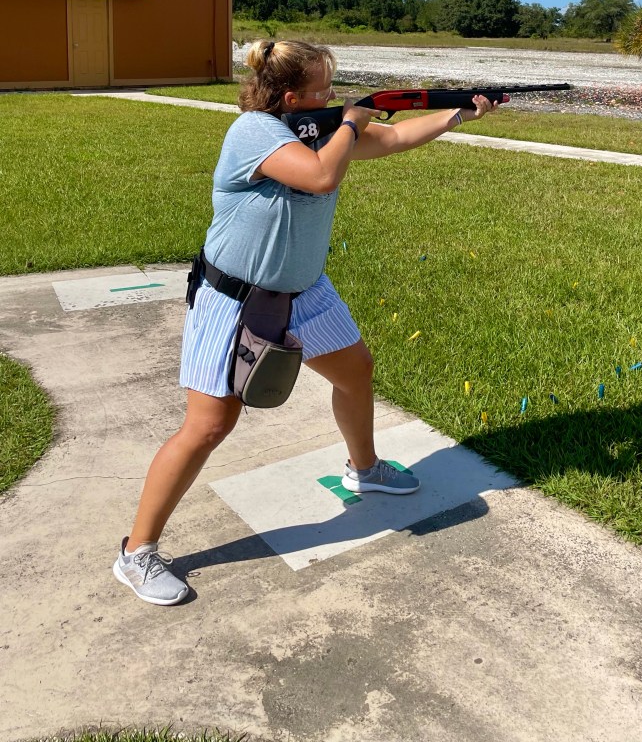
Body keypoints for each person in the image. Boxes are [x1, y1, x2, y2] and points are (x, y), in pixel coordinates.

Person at [114, 39, 498, 605]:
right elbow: (319, 177)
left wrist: (458, 114)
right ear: (292, 98)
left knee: (356, 372)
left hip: (306, 290)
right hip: (236, 297)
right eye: (325, 90)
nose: (335, 97)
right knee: (210, 425)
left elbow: (393, 138)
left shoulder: (322, 130)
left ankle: (365, 468)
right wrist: (353, 122)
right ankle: (137, 551)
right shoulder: (254, 132)